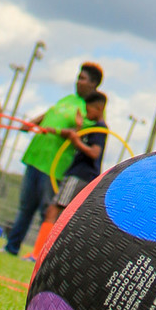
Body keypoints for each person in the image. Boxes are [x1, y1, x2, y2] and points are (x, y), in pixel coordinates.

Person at [2, 63, 103, 256]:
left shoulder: (90, 106)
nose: (77, 81)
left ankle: (40, 254)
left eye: (82, 78)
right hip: (36, 156)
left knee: (47, 210)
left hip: (55, 164)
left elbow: (83, 133)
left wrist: (61, 132)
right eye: (78, 77)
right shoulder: (68, 98)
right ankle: (11, 247)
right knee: (25, 207)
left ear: (93, 84)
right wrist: (31, 123)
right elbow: (50, 113)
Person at [42, 91, 107, 223]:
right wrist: (78, 127)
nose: (86, 114)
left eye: (88, 110)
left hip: (80, 174)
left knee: (54, 210)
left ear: (98, 109)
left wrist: (76, 141)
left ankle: (43, 243)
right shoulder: (93, 128)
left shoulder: (100, 129)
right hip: (79, 174)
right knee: (60, 213)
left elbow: (94, 152)